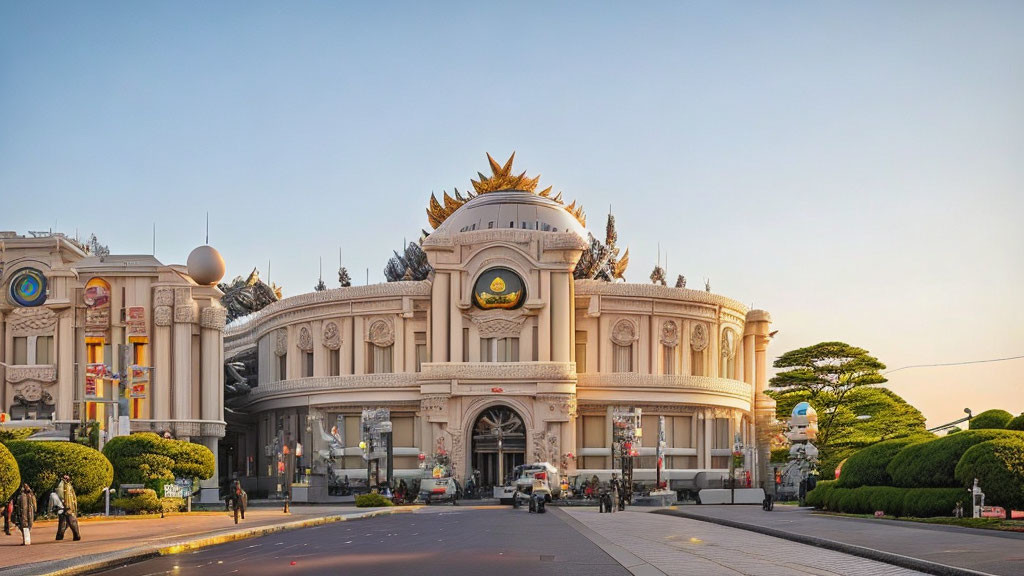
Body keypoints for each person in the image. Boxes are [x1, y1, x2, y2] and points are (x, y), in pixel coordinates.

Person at [54, 474, 81, 541]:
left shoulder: (68, 485)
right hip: (66, 506)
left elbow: (73, 496)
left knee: (63, 522)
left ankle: (60, 536)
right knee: (71, 521)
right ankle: (76, 535)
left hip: (68, 506)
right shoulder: (63, 485)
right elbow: (60, 495)